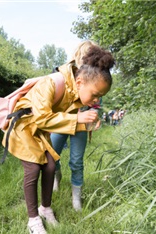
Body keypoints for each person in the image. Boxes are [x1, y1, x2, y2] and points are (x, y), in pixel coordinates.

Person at [3, 45, 115, 234]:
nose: (96, 101)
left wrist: (83, 124)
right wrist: (78, 118)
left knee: (50, 166)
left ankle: (45, 209)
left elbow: (63, 123)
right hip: (24, 127)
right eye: (95, 95)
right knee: (32, 169)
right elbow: (42, 117)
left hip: (40, 129)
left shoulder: (75, 93)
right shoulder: (52, 83)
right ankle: (33, 221)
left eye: (100, 97)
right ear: (79, 82)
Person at [50, 40, 103, 212]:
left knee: (76, 161)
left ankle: (76, 200)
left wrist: (96, 115)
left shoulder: (96, 75)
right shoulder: (62, 74)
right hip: (62, 121)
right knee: (52, 155)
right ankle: (56, 179)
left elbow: (97, 98)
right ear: (79, 55)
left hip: (82, 124)